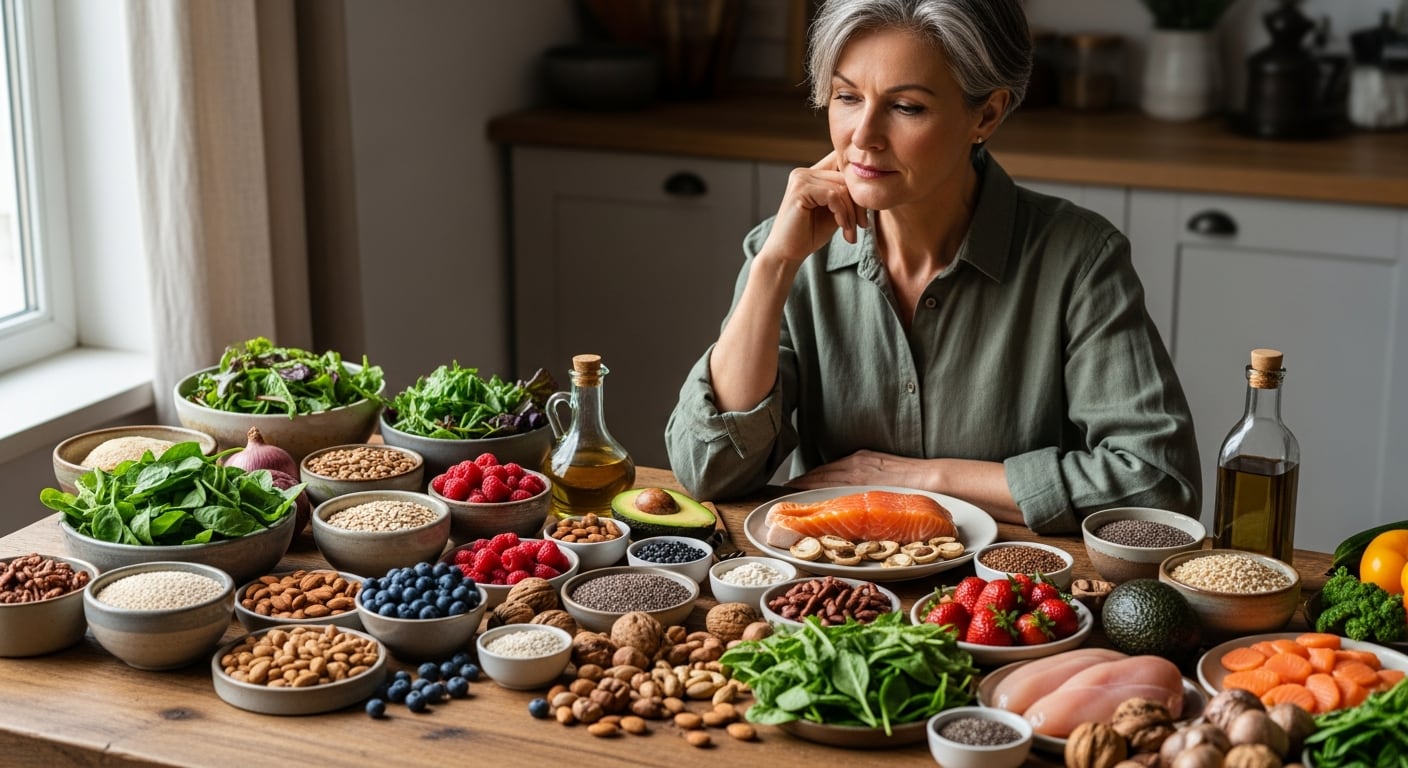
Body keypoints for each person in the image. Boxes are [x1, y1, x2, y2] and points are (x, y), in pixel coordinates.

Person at [664, 0, 1201, 533]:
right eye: (847, 97)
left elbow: (1158, 483)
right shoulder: (787, 250)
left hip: (1010, 583)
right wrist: (774, 266)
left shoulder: (1081, 259)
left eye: (906, 107)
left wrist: (925, 479)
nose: (863, 136)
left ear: (986, 115)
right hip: (830, 580)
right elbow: (709, 469)